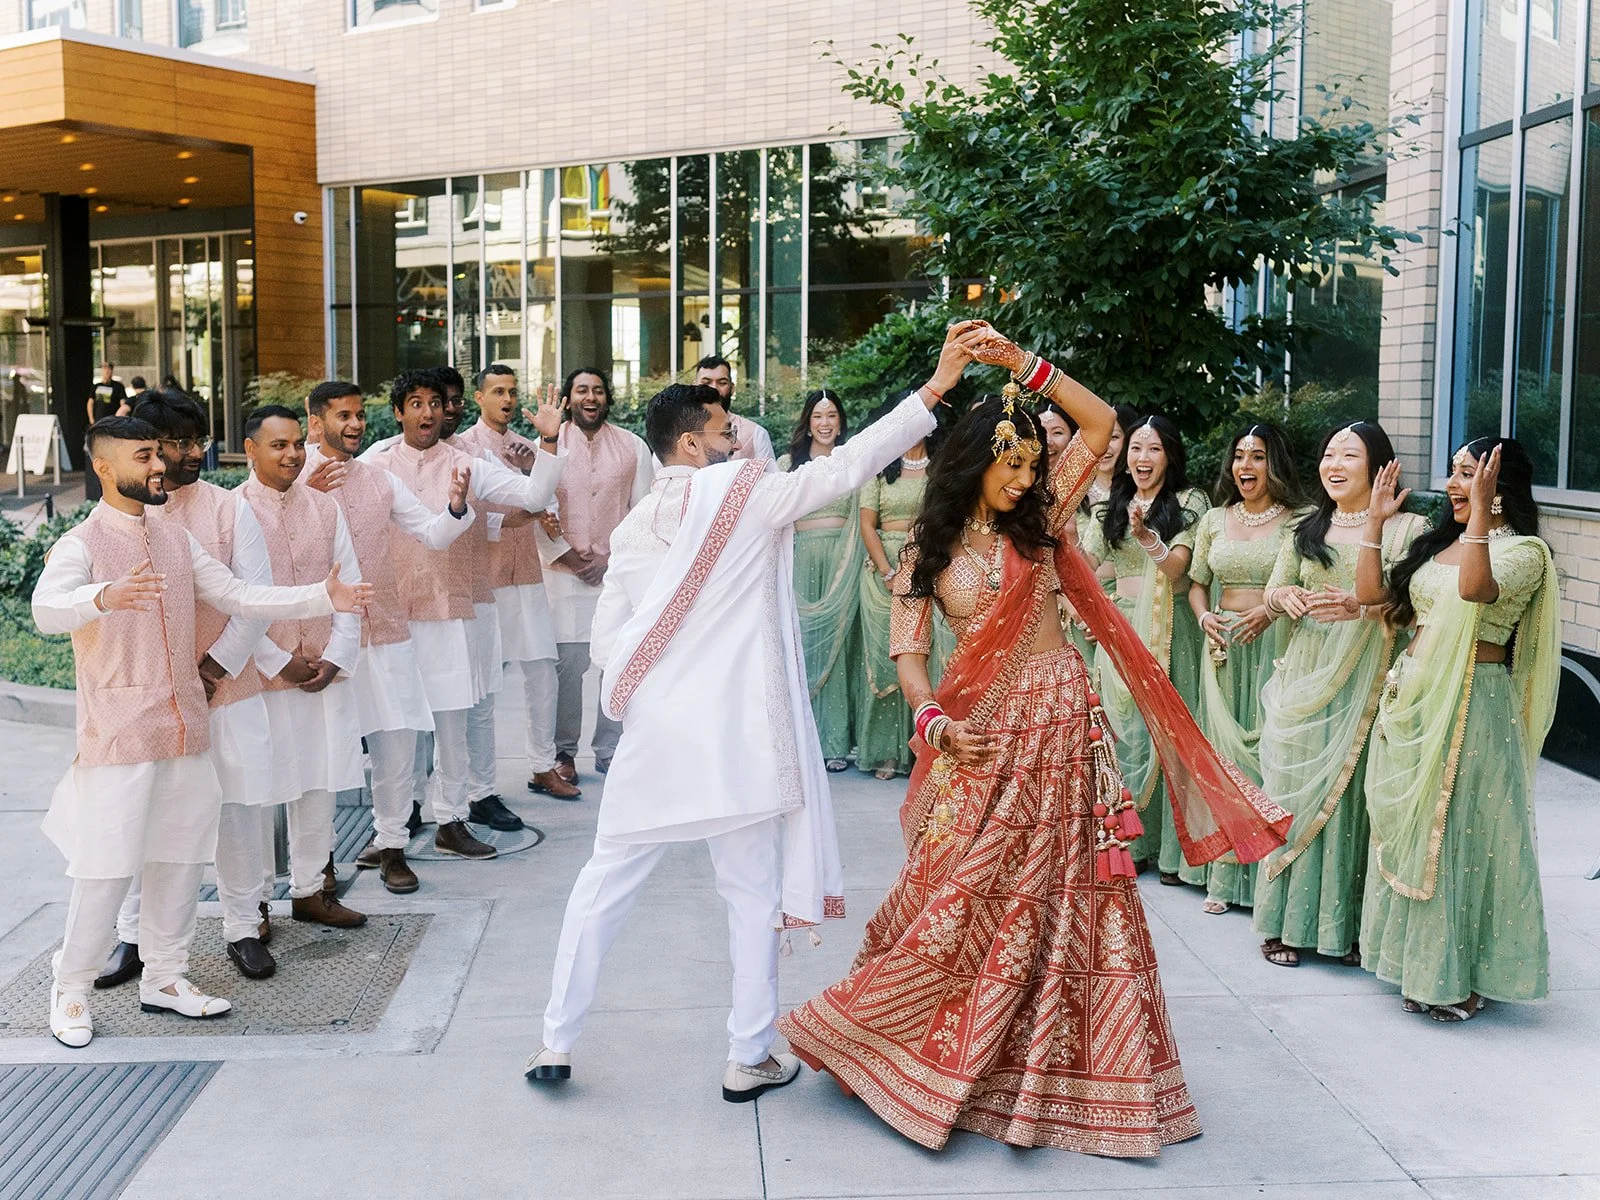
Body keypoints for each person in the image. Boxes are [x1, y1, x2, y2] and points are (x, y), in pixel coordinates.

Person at [778, 325, 1287, 1155]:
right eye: (1008, 465)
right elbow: (910, 657)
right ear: (971, 462)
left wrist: (1022, 364)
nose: (1022, 479)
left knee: (1077, 900)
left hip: (1064, 727)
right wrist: (934, 722)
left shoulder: (1041, 521)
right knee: (962, 897)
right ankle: (912, 1042)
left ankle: (1078, 1065)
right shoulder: (925, 550)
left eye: (1028, 466)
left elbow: (1096, 426)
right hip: (980, 737)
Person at [524, 333, 976, 1101]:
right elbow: (846, 465)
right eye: (727, 431)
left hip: (659, 743)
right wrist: (931, 392)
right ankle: (748, 1055)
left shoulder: (637, 528)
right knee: (748, 898)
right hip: (736, 746)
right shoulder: (745, 494)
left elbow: (612, 643)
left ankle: (555, 1043)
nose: (742, 441)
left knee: (603, 887)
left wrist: (639, 698)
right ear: (691, 443)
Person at [33, 415, 371, 1047]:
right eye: (144, 457)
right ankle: (71, 989)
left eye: (159, 455)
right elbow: (46, 610)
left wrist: (323, 599)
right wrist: (104, 597)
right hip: (121, 736)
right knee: (106, 867)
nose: (159, 466)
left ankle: (165, 977)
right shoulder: (81, 545)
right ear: (105, 468)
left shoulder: (175, 537)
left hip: (188, 727)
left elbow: (240, 594)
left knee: (180, 857)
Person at [1356, 439, 1558, 1021]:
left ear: (1499, 489)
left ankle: (1460, 975)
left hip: (1474, 698)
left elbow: (1475, 592)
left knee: (1460, 832)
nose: (1452, 483)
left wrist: (1483, 513)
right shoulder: (1439, 546)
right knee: (1415, 829)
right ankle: (1414, 961)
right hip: (1414, 696)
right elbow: (1371, 597)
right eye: (1452, 472)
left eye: (1467, 474)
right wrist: (1373, 522)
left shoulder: (1526, 552)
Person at [96, 390, 285, 985]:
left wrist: (212, 669)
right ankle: (130, 937)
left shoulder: (231, 510)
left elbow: (253, 602)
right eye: (178, 443)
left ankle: (243, 926)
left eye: (198, 440)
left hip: (223, 688)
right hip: (150, 699)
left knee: (235, 811)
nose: (192, 453)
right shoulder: (121, 518)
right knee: (139, 815)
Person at [364, 370, 566, 860]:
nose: (428, 412)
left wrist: (550, 439)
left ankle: (450, 819)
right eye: (416, 403)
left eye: (435, 403)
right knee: (395, 728)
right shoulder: (376, 463)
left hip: (450, 609)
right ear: (398, 411)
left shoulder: (469, 463)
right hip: (391, 615)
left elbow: (535, 498)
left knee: (451, 722)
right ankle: (392, 828)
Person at [1253, 422, 1423, 967]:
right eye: (1328, 454)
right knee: (1294, 789)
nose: (1334, 464)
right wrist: (1287, 599)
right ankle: (1281, 923)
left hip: (1373, 674)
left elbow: (1414, 602)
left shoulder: (1409, 529)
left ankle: (1344, 930)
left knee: (1356, 799)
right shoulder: (1307, 526)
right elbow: (1273, 589)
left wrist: (1362, 604)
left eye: (1349, 455)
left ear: (1378, 468)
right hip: (1307, 672)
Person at [303, 381, 477, 893]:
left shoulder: (377, 480)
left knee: (397, 745)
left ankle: (393, 846)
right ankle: (320, 865)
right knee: (326, 755)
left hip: (386, 631)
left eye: (359, 415)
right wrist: (306, 495)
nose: (355, 424)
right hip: (325, 639)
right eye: (342, 416)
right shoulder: (289, 479)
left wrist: (455, 508)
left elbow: (432, 533)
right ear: (316, 423)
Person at [239, 406, 369, 932]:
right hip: (263, 677)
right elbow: (235, 603)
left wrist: (337, 657)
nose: (292, 454)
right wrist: (279, 663)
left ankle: (311, 890)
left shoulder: (325, 508)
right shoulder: (233, 512)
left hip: (323, 672)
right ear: (250, 450)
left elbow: (350, 584)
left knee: (319, 781)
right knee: (262, 790)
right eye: (278, 445)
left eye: (296, 443)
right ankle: (255, 903)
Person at [1079, 414, 1209, 879]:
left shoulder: (1190, 501)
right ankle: (1128, 844)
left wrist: (1148, 539)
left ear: (1169, 455)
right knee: (1121, 737)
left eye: (1153, 448)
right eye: (1136, 448)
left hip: (1171, 633)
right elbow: (1087, 566)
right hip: (1118, 632)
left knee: (1169, 739)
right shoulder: (1111, 503)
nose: (1142, 458)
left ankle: (1173, 853)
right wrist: (1088, 608)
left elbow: (1177, 571)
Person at [1181, 423, 1301, 913]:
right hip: (1224, 644)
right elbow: (1196, 583)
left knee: (1270, 751)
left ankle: (1266, 880)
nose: (1245, 466)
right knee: (1222, 756)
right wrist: (1205, 615)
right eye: (1239, 456)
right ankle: (1226, 877)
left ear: (1275, 464)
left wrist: (1273, 613)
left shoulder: (1301, 521)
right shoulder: (1213, 519)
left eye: (1257, 456)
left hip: (1276, 641)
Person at [453, 365, 579, 800]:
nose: (507, 399)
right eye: (498, 391)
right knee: (484, 683)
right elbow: (469, 516)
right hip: (481, 579)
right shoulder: (462, 448)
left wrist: (534, 492)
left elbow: (550, 506)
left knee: (543, 669)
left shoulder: (531, 448)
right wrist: (514, 518)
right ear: (479, 398)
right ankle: (476, 785)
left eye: (512, 391)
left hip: (525, 571)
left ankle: (543, 766)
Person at [537, 366, 652, 781]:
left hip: (616, 576)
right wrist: (571, 559)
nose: (591, 397)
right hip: (562, 576)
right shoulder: (546, 446)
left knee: (615, 663)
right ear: (568, 398)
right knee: (568, 667)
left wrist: (611, 560)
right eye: (582, 390)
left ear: (608, 398)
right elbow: (537, 509)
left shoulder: (632, 446)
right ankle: (563, 753)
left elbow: (644, 512)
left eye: (598, 391)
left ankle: (610, 748)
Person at [855, 396, 944, 780]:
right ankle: (885, 754)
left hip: (929, 565)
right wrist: (889, 572)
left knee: (929, 657)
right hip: (883, 570)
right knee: (884, 659)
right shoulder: (880, 470)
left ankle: (921, 754)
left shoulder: (941, 470)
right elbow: (866, 525)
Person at [778, 389, 860, 772]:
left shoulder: (852, 463)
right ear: (807, 422)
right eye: (817, 416)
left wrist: (849, 563)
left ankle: (835, 744)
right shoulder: (787, 464)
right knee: (801, 647)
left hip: (843, 560)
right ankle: (799, 742)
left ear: (840, 421)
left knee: (839, 649)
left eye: (831, 415)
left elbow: (863, 516)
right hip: (800, 561)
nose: (825, 423)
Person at [694, 354, 774, 461]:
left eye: (722, 383)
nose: (714, 388)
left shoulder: (755, 434)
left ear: (732, 388)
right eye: (706, 383)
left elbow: (771, 476)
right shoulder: (676, 431)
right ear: (694, 386)